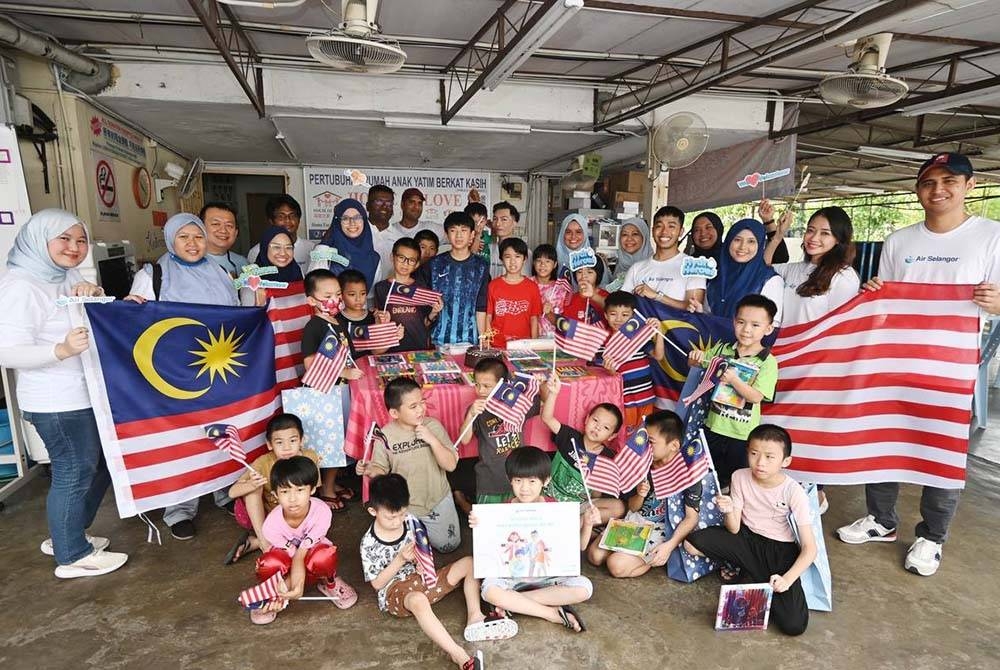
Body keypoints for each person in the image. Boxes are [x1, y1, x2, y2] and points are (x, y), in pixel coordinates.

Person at [836, 152, 1000, 576]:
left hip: (950, 368)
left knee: (941, 451)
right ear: (918, 190)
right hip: (895, 359)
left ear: (970, 185)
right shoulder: (900, 240)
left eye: (949, 180)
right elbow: (887, 302)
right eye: (929, 182)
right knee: (882, 442)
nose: (939, 189)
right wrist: (874, 292)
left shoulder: (991, 236)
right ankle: (881, 520)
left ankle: (931, 537)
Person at [0, 209, 128, 578]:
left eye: (80, 240)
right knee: (74, 470)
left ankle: (67, 534)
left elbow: (80, 315)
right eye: (64, 239)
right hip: (55, 401)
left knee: (100, 464)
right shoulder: (21, 285)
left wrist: (96, 293)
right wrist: (60, 351)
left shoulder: (63, 275)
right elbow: (7, 350)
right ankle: (71, 554)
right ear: (40, 241)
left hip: (84, 392)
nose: (74, 248)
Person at [126, 213, 239, 540]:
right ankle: (179, 509)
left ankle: (224, 493)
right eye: (184, 237)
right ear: (171, 240)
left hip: (219, 369)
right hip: (174, 373)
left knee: (221, 431)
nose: (193, 244)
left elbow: (235, 315)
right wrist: (129, 306)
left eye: (198, 237)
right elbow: (136, 323)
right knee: (182, 439)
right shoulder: (154, 275)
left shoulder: (218, 272)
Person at [361, 474, 516, 670]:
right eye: (391, 517)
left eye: (402, 513)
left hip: (424, 579)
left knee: (470, 563)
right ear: (373, 511)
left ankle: (475, 617)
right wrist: (400, 559)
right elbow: (377, 584)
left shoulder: (408, 521)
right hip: (396, 592)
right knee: (418, 600)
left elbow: (421, 547)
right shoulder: (369, 543)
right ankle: (458, 655)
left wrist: (420, 563)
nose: (398, 521)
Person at [685, 424, 815, 636]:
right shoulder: (739, 476)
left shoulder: (793, 491)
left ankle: (749, 573)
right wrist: (728, 510)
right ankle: (745, 569)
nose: (760, 462)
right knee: (691, 544)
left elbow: (810, 549)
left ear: (786, 461)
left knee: (794, 625)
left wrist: (787, 580)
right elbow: (734, 528)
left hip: (779, 551)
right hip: (746, 539)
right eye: (754, 454)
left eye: (769, 457)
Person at [470, 446, 597, 633]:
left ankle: (516, 601)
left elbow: (579, 546)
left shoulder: (556, 508)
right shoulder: (501, 511)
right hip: (513, 576)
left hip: (549, 575)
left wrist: (587, 524)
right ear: (509, 480)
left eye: (532, 481)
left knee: (585, 588)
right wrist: (479, 526)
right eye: (518, 481)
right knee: (489, 590)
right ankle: (552, 614)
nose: (525, 488)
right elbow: (492, 551)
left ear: (546, 481)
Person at [587, 411, 701, 578]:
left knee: (616, 566)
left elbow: (692, 518)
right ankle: (628, 554)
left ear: (674, 445)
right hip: (635, 521)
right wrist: (640, 494)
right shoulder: (643, 462)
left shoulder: (687, 471)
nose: (645, 446)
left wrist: (669, 546)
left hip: (661, 530)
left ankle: (648, 560)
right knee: (595, 557)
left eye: (652, 442)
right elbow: (632, 507)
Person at [248, 456, 357, 624]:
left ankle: (328, 582)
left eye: (299, 490)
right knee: (268, 563)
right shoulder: (270, 525)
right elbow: (293, 556)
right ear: (275, 494)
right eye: (285, 491)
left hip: (311, 562)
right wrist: (285, 589)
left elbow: (301, 554)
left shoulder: (322, 512)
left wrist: (295, 587)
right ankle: (273, 593)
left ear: (313, 489)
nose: (292, 498)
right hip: (289, 565)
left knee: (324, 556)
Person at [356, 377, 461, 552]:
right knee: (404, 552)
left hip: (437, 498)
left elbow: (450, 465)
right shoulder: (386, 435)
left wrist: (431, 440)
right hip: (405, 506)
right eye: (413, 407)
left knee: (448, 546)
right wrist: (370, 469)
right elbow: (380, 470)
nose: (421, 409)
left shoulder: (432, 426)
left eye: (422, 402)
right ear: (395, 413)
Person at [688, 294, 778, 489]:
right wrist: (694, 358)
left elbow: (756, 397)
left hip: (741, 434)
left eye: (755, 325)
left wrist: (734, 380)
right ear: (734, 322)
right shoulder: (722, 349)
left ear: (768, 329)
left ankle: (732, 517)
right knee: (707, 476)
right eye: (741, 322)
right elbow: (698, 364)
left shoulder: (768, 362)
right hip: (712, 425)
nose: (746, 330)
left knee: (737, 481)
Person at [300, 269, 364, 509]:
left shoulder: (337, 321)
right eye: (327, 295)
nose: (335, 299)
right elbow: (310, 365)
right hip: (323, 393)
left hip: (340, 392)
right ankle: (326, 491)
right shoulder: (314, 326)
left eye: (338, 294)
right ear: (311, 300)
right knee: (330, 442)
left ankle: (332, 483)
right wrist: (344, 373)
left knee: (339, 439)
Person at [225, 413, 321, 565]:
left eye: (293, 440)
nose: (287, 447)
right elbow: (232, 492)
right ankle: (264, 543)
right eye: (279, 442)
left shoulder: (309, 457)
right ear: (270, 444)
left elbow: (314, 491)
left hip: (296, 516)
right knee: (252, 489)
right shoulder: (263, 463)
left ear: (302, 441)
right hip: (268, 518)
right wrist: (252, 484)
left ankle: (254, 542)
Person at [541, 374, 625, 523]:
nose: (597, 427)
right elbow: (547, 418)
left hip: (579, 507)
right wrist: (553, 393)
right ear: (587, 419)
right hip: (550, 498)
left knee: (618, 507)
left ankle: (575, 525)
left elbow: (597, 495)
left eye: (605, 427)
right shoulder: (570, 437)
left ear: (611, 436)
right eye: (595, 420)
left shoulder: (607, 458)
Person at [459, 357, 543, 503]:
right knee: (487, 522)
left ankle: (463, 504)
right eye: (477, 385)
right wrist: (471, 414)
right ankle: (464, 504)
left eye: (486, 386)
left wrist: (540, 385)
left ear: (503, 385)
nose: (480, 390)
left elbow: (542, 406)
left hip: (517, 479)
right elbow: (464, 440)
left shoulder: (517, 403)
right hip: (489, 481)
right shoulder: (477, 408)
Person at [764, 206, 861, 326]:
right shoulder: (794, 269)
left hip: (815, 344)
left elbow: (840, 325)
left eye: (825, 233)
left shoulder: (844, 276)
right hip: (784, 343)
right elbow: (762, 269)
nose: (814, 238)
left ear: (838, 239)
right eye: (810, 230)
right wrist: (777, 236)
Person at [692, 219, 784, 325]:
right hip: (710, 341)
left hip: (746, 341)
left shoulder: (770, 280)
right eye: (737, 240)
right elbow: (710, 317)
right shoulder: (715, 275)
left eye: (751, 241)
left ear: (760, 245)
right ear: (728, 241)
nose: (742, 247)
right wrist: (700, 312)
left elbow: (771, 327)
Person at [421, 211, 490, 346]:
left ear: (472, 235)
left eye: (464, 230)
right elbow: (424, 305)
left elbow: (481, 307)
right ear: (447, 235)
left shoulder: (481, 266)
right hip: (437, 341)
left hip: (470, 340)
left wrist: (483, 339)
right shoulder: (434, 264)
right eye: (453, 230)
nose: (458, 235)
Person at [599, 291, 664, 432]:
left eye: (625, 315)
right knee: (626, 434)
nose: (618, 319)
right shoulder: (604, 341)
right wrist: (610, 371)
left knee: (642, 434)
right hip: (624, 399)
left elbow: (658, 355)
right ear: (605, 315)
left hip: (645, 395)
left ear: (633, 317)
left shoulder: (638, 336)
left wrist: (660, 332)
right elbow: (604, 373)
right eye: (613, 314)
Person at [622, 206, 706, 310]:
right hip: (643, 326)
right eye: (659, 226)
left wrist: (657, 296)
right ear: (652, 231)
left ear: (681, 232)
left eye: (671, 226)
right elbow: (622, 306)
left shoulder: (693, 267)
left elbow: (693, 309)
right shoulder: (636, 268)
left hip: (678, 326)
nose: (664, 232)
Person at [373, 238, 443, 353]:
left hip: (419, 349)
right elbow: (380, 324)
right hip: (392, 350)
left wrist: (434, 312)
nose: (405, 264)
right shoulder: (381, 288)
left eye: (411, 260)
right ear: (392, 257)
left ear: (416, 264)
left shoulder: (421, 288)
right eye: (401, 258)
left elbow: (425, 323)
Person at [311, 198, 383, 289]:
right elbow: (313, 289)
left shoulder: (374, 259)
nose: (352, 222)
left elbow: (372, 298)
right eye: (345, 218)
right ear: (338, 222)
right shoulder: (323, 251)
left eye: (357, 217)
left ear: (364, 221)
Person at [486, 237, 542, 348]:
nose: (512, 261)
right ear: (501, 258)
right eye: (507, 257)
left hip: (524, 346)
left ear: (525, 259)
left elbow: (534, 319)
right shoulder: (493, 285)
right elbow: (488, 317)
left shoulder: (532, 287)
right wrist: (488, 341)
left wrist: (535, 345)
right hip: (497, 345)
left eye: (517, 256)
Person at [246, 195, 314, 276]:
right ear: (271, 221)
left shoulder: (312, 248)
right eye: (281, 217)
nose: (288, 220)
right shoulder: (256, 251)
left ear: (299, 220)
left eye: (292, 216)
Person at [244, 225, 304, 306]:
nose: (283, 253)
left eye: (288, 247)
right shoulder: (252, 279)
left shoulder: (296, 271)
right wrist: (259, 306)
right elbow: (247, 315)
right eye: (276, 247)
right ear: (265, 248)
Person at [382, 188, 447, 254]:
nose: (416, 207)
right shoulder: (389, 231)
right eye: (412, 202)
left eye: (419, 203)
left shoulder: (432, 228)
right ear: (402, 205)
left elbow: (456, 239)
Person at [555, 213, 608, 287]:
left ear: (585, 234)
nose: (573, 236)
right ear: (562, 234)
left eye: (578, 232)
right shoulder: (551, 260)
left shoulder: (595, 260)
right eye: (568, 232)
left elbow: (604, 291)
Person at [531, 243, 571, 338]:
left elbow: (565, 323)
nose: (543, 265)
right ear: (533, 263)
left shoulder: (560, 288)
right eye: (539, 261)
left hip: (552, 338)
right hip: (529, 337)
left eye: (548, 261)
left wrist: (549, 313)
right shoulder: (527, 284)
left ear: (555, 264)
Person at [200, 201, 248, 278]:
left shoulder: (243, 263)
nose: (223, 230)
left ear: (236, 233)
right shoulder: (190, 261)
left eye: (229, 225)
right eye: (216, 224)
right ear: (201, 228)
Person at [488, 202, 530, 279]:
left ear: (514, 223)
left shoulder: (523, 251)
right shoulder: (488, 249)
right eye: (495, 219)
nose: (498, 223)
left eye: (504, 219)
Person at [563, 261, 608, 326]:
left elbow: (611, 308)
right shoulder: (570, 298)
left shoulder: (606, 296)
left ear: (598, 274)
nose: (583, 275)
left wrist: (593, 296)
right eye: (579, 272)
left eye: (589, 272)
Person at [613, 217, 653, 286]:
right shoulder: (621, 263)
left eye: (635, 234)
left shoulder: (654, 265)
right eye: (624, 234)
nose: (629, 239)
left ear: (644, 237)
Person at [366, 184, 396, 272]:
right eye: (378, 202)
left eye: (389, 203)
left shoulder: (400, 238)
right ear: (368, 206)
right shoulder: (356, 233)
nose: (384, 207)